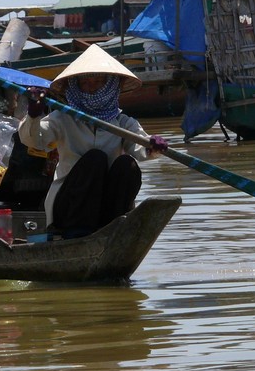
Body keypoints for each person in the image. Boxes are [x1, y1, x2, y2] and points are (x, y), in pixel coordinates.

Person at [17, 44, 168, 238]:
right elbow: (34, 141)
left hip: (106, 210)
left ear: (111, 85)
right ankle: (78, 234)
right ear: (75, 86)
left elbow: (140, 147)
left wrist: (153, 145)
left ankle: (115, 227)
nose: (92, 89)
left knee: (127, 164)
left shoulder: (122, 122)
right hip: (70, 210)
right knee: (95, 159)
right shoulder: (62, 118)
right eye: (86, 83)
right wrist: (33, 116)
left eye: (99, 82)